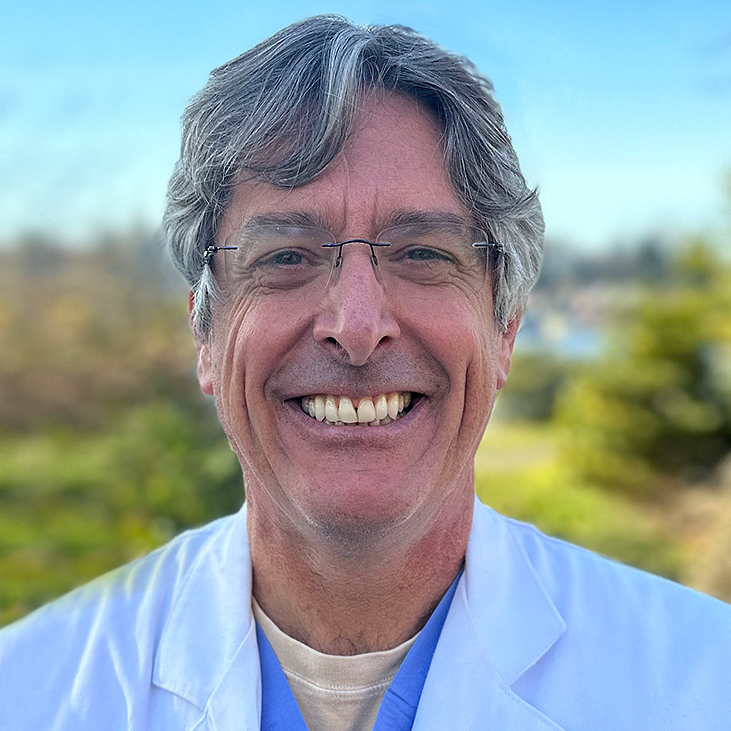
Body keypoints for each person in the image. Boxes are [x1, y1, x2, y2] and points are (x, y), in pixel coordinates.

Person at [1, 15, 729, 731]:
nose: (355, 325)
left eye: (423, 254)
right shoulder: (29, 693)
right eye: (286, 256)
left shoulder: (705, 682)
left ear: (504, 326)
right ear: (206, 335)